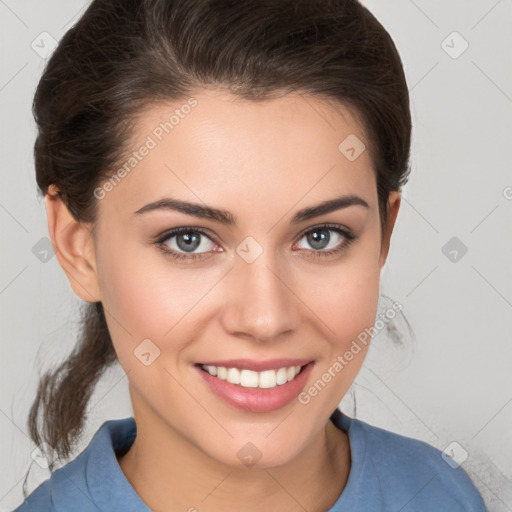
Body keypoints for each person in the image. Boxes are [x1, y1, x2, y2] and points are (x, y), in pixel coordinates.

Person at [13, 0, 488, 510]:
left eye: (321, 236)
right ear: (77, 248)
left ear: (384, 234)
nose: (265, 318)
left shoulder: (442, 493)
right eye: (188, 240)